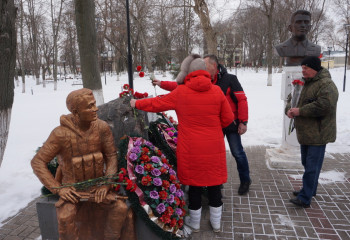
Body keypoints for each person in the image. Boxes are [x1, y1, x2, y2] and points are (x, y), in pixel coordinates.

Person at [131, 54, 234, 233]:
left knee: (194, 185)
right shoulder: (217, 91)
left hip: (190, 148)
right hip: (213, 147)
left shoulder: (181, 92)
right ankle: (216, 223)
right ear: (205, 72)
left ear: (190, 73)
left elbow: (157, 103)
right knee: (214, 184)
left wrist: (136, 103)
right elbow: (228, 119)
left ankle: (194, 224)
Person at [31, 88, 136, 240]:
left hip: (98, 189)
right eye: (89, 106)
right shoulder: (60, 134)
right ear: (75, 112)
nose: (96, 109)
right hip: (73, 192)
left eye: (94, 104)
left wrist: (106, 184)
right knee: (66, 218)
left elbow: (111, 156)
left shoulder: (101, 127)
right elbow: (38, 162)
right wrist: (59, 189)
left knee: (120, 208)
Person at [152, 54, 252, 196]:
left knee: (237, 152)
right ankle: (217, 184)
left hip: (231, 123)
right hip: (213, 126)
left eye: (205, 65)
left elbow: (242, 100)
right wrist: (161, 84)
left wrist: (243, 121)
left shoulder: (230, 79)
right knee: (213, 156)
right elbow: (179, 87)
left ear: (214, 66)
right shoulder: (204, 80)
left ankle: (245, 181)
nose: (203, 68)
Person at [285, 56, 338, 208]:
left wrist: (300, 111)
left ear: (315, 68)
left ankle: (305, 197)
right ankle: (310, 189)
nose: (303, 71)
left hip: (318, 133)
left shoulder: (326, 84)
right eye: (302, 68)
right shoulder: (303, 83)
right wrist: (289, 109)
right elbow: (292, 98)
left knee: (311, 167)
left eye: (306, 68)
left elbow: (325, 106)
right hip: (306, 134)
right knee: (306, 163)